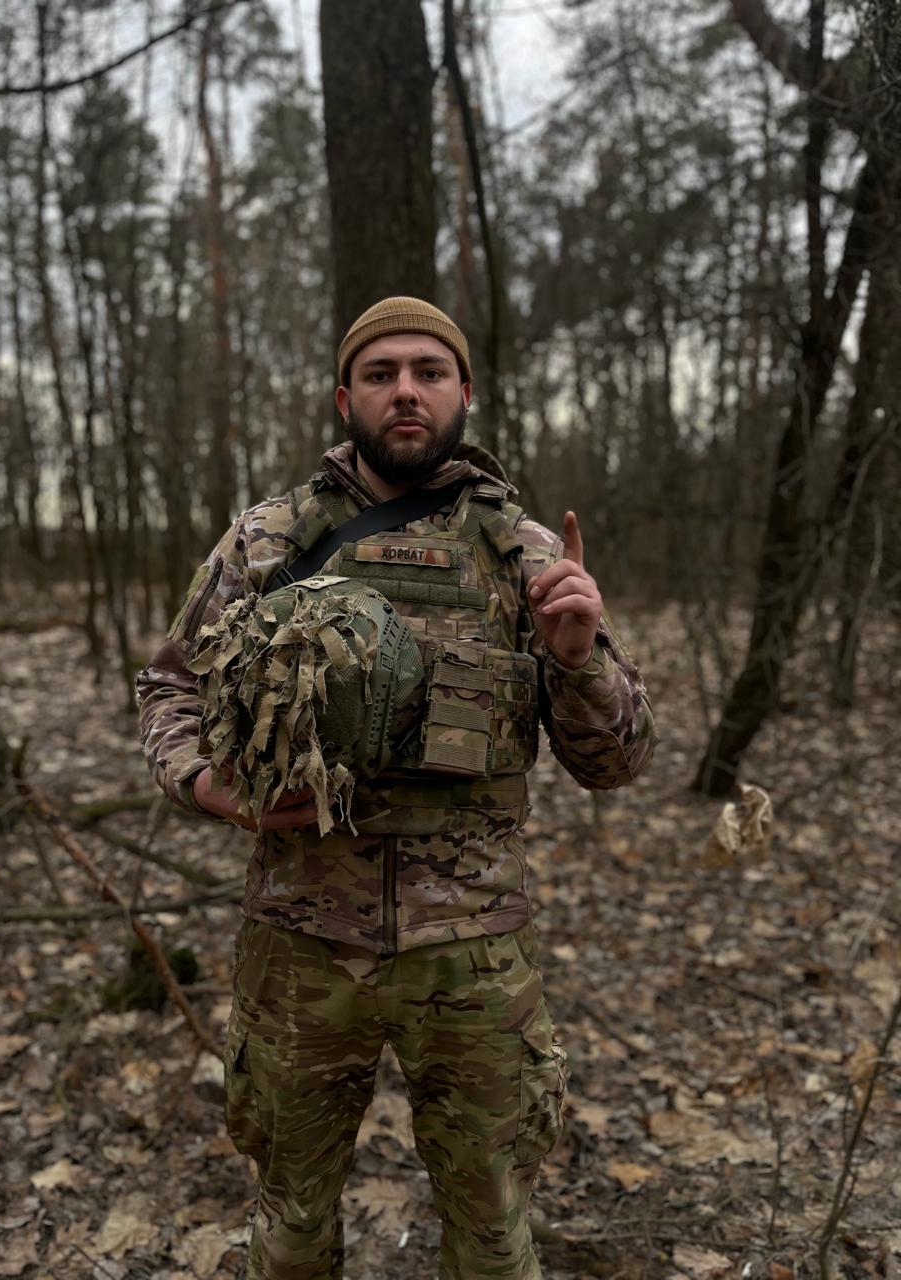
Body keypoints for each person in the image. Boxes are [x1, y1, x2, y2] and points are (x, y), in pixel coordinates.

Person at [137, 296, 656, 1280]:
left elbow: (618, 761)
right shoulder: (267, 541)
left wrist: (580, 660)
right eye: (381, 373)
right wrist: (206, 782)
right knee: (289, 1222)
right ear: (347, 396)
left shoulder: (527, 556)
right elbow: (171, 682)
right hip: (299, 940)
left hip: (473, 957)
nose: (406, 389)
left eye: (429, 369)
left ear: (464, 392)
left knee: (495, 1234)